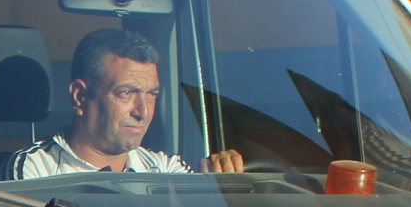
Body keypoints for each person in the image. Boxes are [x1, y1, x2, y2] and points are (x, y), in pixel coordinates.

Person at [15, 28, 243, 177]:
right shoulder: (36, 169)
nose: (143, 112)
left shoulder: (163, 169)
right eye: (126, 92)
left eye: (152, 94)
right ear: (80, 96)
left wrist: (223, 186)